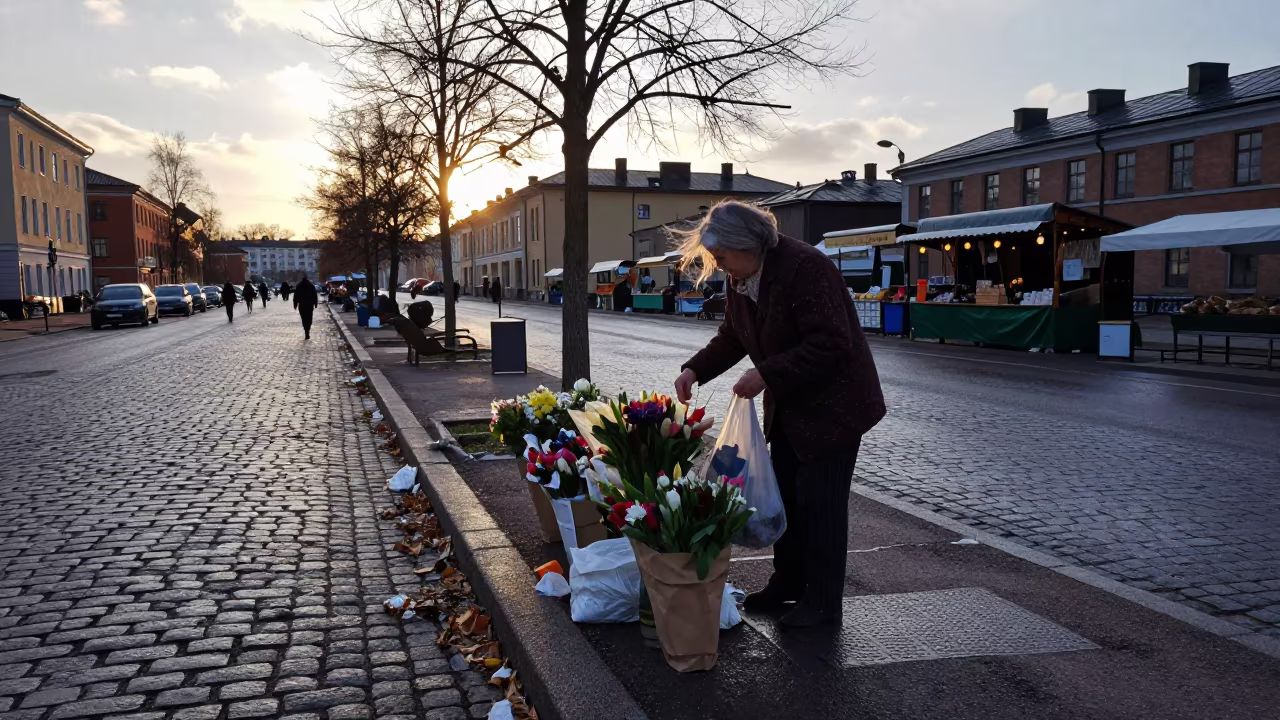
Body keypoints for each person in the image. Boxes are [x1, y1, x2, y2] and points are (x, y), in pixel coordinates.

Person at [673, 200, 886, 629]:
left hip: (835, 409)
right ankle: (788, 582)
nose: (720, 267)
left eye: (723, 257)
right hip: (791, 407)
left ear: (749, 244)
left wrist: (766, 374)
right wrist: (695, 369)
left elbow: (831, 343)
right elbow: (733, 335)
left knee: (820, 506)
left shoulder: (806, 268)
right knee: (785, 497)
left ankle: (824, 605)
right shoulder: (744, 275)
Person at [294, 275, 319, 339]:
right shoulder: (311, 286)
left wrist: (295, 304)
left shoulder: (299, 286)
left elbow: (295, 296)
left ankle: (306, 330)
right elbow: (315, 295)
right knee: (309, 317)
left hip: (302, 304)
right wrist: (315, 304)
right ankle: (308, 329)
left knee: (303, 318)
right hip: (309, 304)